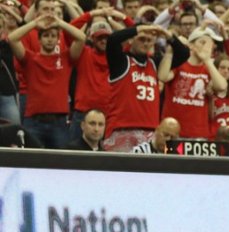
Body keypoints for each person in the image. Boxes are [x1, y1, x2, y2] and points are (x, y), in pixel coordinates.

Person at [9, 13, 86, 149]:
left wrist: (59, 22)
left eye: (53, 36)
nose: (50, 39)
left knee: (60, 165)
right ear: (39, 40)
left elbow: (81, 38)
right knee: (30, 164)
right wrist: (35, 23)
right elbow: (12, 38)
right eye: (45, 36)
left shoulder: (66, 58)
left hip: (59, 122)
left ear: (58, 40)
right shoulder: (30, 59)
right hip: (33, 121)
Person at [105, 24, 187, 152]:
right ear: (131, 40)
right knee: (121, 171)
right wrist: (140, 29)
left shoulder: (155, 63)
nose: (146, 43)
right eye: (141, 39)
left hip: (150, 132)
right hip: (122, 130)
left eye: (149, 40)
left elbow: (184, 54)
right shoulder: (120, 62)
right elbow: (113, 40)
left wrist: (167, 35)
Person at [159, 27, 228, 139]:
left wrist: (206, 60)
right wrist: (170, 52)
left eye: (210, 44)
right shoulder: (179, 63)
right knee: (170, 155)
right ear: (191, 45)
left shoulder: (209, 68)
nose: (207, 47)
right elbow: (163, 76)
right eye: (202, 42)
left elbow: (222, 86)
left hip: (199, 134)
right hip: (173, 133)